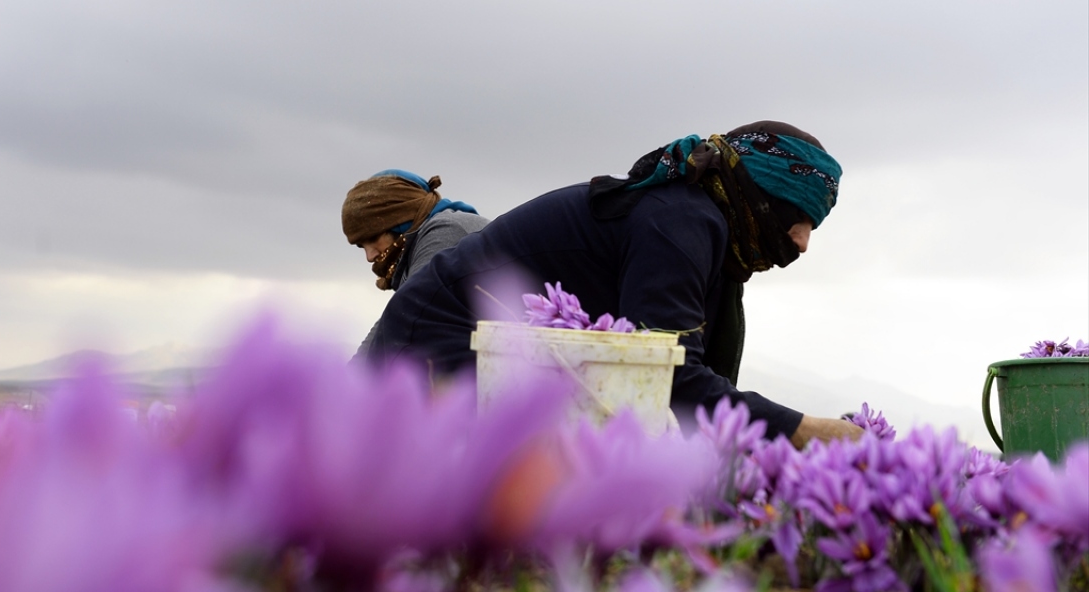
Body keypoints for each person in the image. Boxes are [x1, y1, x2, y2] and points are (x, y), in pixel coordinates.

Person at [364, 122, 864, 448]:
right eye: (797, 218)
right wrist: (803, 430)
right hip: (441, 337)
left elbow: (672, 378)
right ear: (758, 193)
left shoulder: (702, 225)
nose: (801, 243)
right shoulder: (679, 222)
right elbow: (670, 374)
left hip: (486, 344)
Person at [342, 170, 490, 355]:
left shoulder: (445, 229)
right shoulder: (417, 246)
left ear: (399, 221)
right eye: (360, 246)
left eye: (372, 238)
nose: (369, 256)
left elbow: (408, 316)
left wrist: (354, 380)